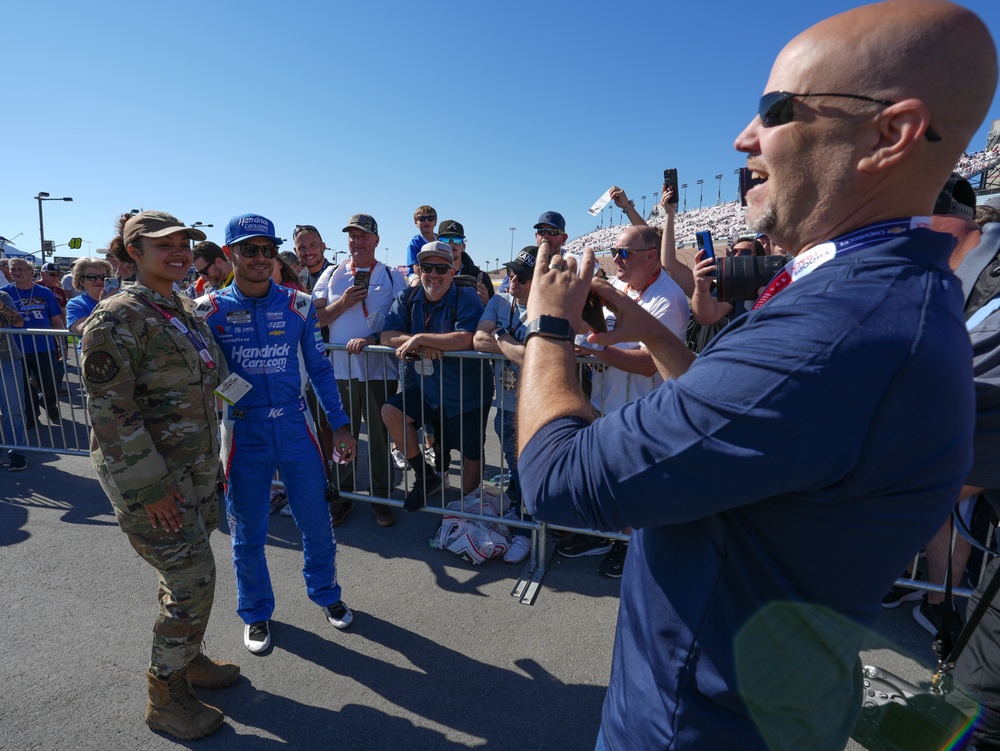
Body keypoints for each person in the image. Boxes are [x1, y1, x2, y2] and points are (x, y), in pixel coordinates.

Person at [515, 2, 995, 749]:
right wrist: (637, 323)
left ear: (890, 132)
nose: (744, 139)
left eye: (775, 111)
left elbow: (558, 475)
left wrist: (546, 324)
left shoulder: (838, 331)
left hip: (691, 723)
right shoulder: (884, 298)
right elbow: (727, 405)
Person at [80, 211, 237, 741]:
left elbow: (216, 374)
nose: (177, 251)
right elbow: (111, 415)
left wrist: (272, 408)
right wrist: (152, 492)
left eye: (183, 243)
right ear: (133, 254)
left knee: (188, 577)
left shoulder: (182, 308)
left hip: (193, 474)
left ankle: (189, 659)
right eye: (162, 244)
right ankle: (165, 696)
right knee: (192, 581)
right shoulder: (115, 319)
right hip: (155, 486)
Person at [195, 213, 358, 656]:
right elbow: (200, 376)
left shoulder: (299, 304)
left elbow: (321, 370)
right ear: (230, 254)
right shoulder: (207, 311)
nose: (262, 258)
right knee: (248, 531)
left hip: (294, 425)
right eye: (251, 249)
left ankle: (326, 593)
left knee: (316, 522)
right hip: (243, 431)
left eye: (268, 249)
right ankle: (255, 612)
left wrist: (340, 425)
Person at [380, 241, 493, 510]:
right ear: (419, 269)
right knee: (391, 413)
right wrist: (420, 342)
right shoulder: (407, 298)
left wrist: (422, 338)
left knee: (471, 454)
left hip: (467, 393)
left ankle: (468, 510)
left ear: (452, 271)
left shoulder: (465, 296)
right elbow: (386, 335)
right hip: (428, 390)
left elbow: (468, 338)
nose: (433, 274)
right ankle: (426, 476)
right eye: (427, 267)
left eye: (441, 267)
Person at [313, 213, 404, 528]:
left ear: (376, 240)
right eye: (352, 236)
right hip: (340, 370)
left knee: (379, 436)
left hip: (380, 370)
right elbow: (316, 320)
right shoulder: (331, 275)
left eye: (364, 235)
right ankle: (342, 495)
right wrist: (343, 303)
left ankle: (381, 497)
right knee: (343, 434)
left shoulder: (392, 276)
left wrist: (372, 339)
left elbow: (401, 319)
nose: (358, 241)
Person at [473, 245, 538, 565]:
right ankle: (518, 508)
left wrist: (498, 336)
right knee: (516, 467)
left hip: (537, 404)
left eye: (522, 277)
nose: (513, 280)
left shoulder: (544, 307)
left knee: (528, 468)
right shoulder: (500, 300)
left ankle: (527, 530)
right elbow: (478, 339)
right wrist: (507, 341)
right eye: (512, 273)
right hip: (508, 402)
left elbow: (533, 357)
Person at [1, 258, 65, 428]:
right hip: (16, 349)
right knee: (23, 385)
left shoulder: (45, 293)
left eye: (21, 269)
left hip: (44, 346)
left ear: (31, 272)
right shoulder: (4, 293)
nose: (16, 272)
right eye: (13, 269)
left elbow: (56, 321)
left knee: (50, 381)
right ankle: (31, 416)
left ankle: (50, 404)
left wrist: (62, 345)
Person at [0, 289, 27, 471]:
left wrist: (1, 307)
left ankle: (18, 452)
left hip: (7, 361)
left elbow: (19, 322)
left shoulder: (2, 296)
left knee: (13, 410)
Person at [437, 219, 494, 304]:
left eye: (456, 240)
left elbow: (493, 314)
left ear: (463, 246)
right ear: (438, 244)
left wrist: (486, 303)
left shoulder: (480, 278)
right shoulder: (430, 274)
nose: (451, 244)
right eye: (445, 240)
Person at [66, 257, 115, 336]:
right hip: (93, 348)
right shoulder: (76, 304)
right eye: (92, 277)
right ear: (81, 281)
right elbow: (83, 329)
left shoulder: (120, 298)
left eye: (104, 277)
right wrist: (102, 305)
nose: (99, 280)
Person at [293, 224, 331, 292]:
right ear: (296, 251)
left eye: (312, 246)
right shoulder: (299, 279)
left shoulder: (338, 274)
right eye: (302, 247)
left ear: (323, 247)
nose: (308, 252)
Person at [406, 205, 438, 282]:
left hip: (437, 271)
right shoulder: (414, 243)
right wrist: (428, 279)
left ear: (435, 222)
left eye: (430, 218)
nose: (426, 221)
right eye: (422, 219)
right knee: (417, 284)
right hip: (418, 274)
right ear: (415, 222)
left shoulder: (440, 240)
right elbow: (416, 267)